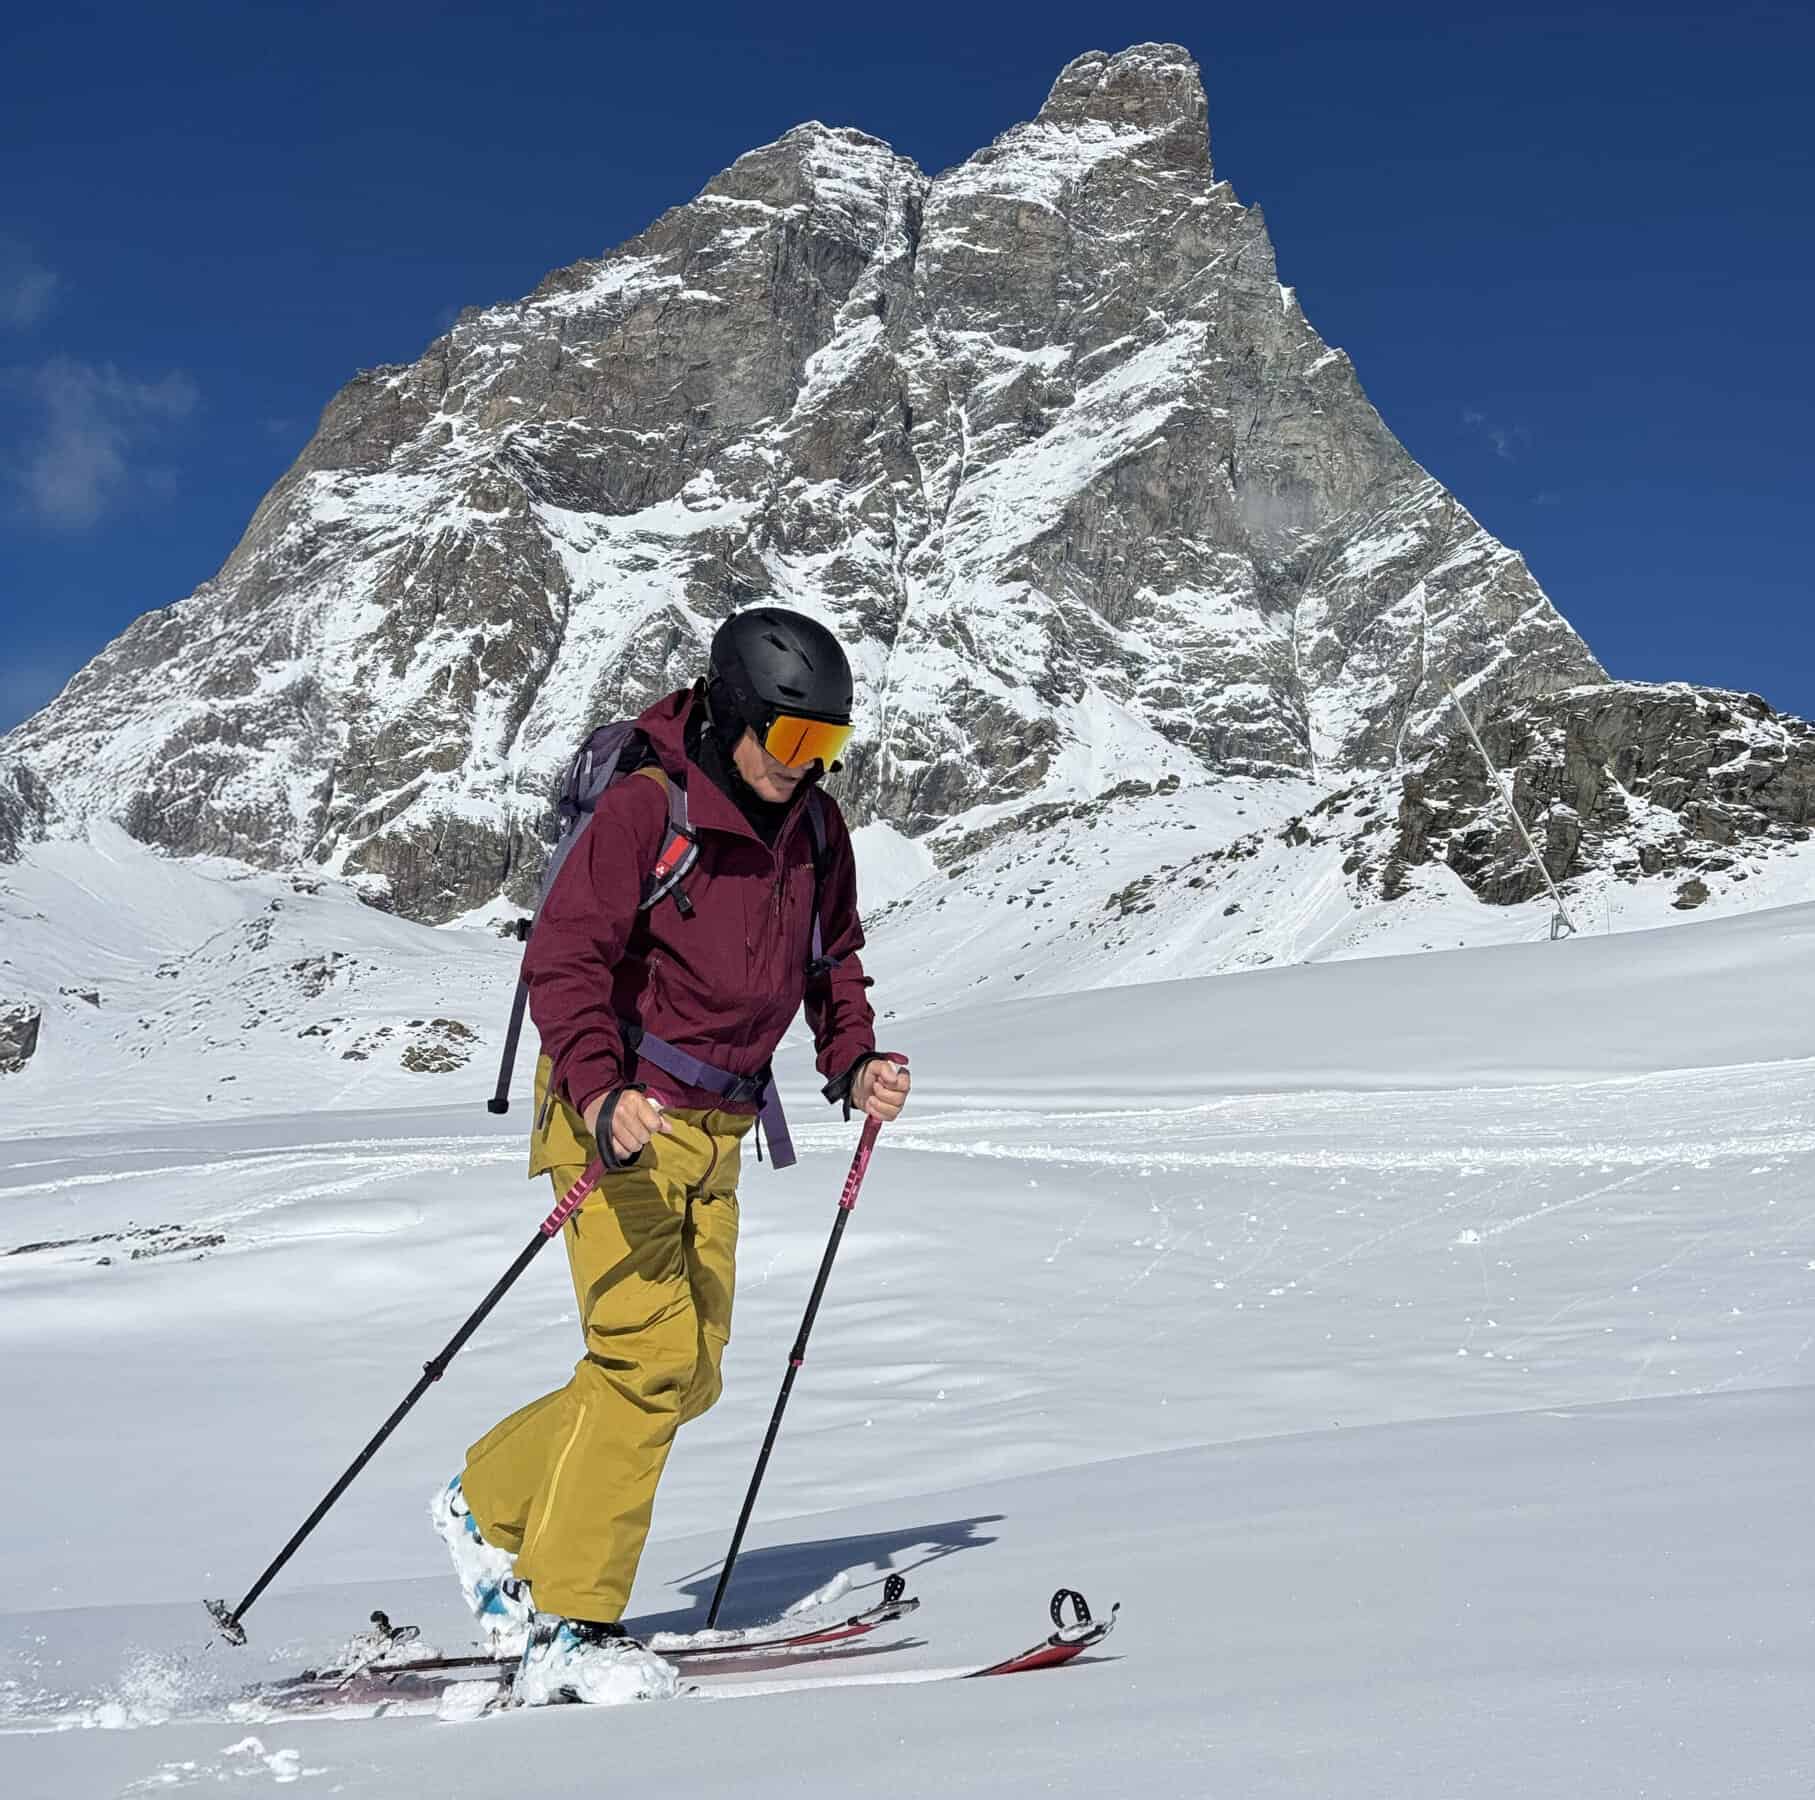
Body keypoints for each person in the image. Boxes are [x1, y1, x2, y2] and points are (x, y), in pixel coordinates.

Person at [431, 607, 911, 1706]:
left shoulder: (817, 833)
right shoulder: (653, 809)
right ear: (737, 717)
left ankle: (485, 1503)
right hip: (616, 1121)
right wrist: (601, 1092)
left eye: (827, 748)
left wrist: (853, 1064)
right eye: (794, 743)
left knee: (687, 1372)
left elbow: (834, 961)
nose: (809, 768)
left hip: (721, 1133)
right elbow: (564, 960)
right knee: (646, 1363)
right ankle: (571, 1620)